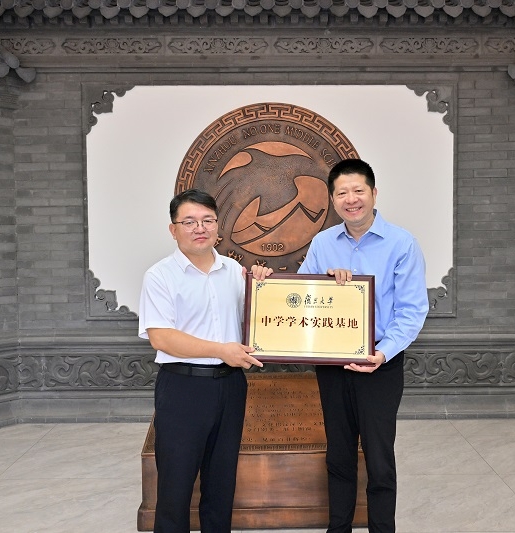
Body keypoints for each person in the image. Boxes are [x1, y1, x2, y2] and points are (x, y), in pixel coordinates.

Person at [299, 158, 429, 533]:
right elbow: (300, 297)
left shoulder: (402, 244)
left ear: (374, 193)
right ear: (332, 199)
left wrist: (382, 353)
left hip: (379, 363)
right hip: (332, 363)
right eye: (342, 193)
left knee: (379, 457)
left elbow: (412, 310)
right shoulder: (323, 243)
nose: (351, 199)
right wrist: (324, 282)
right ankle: (338, 528)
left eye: (358, 190)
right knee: (339, 454)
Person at [138, 188, 271, 533]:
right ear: (173, 229)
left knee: (221, 483)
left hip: (230, 386)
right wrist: (220, 350)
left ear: (218, 226)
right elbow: (161, 338)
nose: (200, 228)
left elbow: (258, 321)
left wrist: (265, 289)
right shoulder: (160, 276)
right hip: (183, 388)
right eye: (189, 222)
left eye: (208, 220)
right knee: (175, 484)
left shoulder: (235, 271)